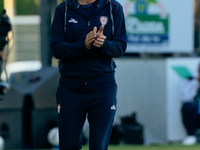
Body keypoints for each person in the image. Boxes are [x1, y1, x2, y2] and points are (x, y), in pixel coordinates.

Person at [50, 0, 127, 149]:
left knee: (98, 146)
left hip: (103, 88)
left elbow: (121, 46)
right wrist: (82, 45)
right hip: (70, 88)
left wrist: (104, 44)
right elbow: (56, 48)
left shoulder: (113, 8)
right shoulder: (63, 10)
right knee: (68, 145)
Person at [180, 64, 200, 145]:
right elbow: (185, 98)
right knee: (187, 106)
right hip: (196, 115)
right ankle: (191, 135)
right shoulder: (190, 81)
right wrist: (196, 83)